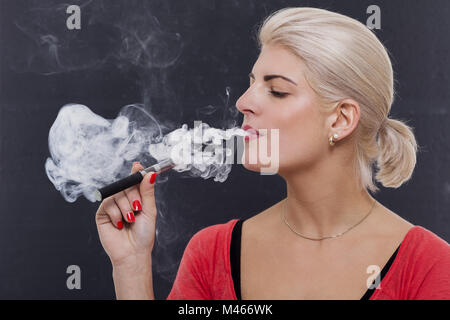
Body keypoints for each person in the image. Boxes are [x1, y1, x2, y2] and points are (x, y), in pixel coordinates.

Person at [95, 7, 450, 300]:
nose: (244, 102)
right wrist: (131, 265)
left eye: (277, 90)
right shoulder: (212, 254)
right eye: (252, 83)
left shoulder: (428, 266)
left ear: (341, 119)